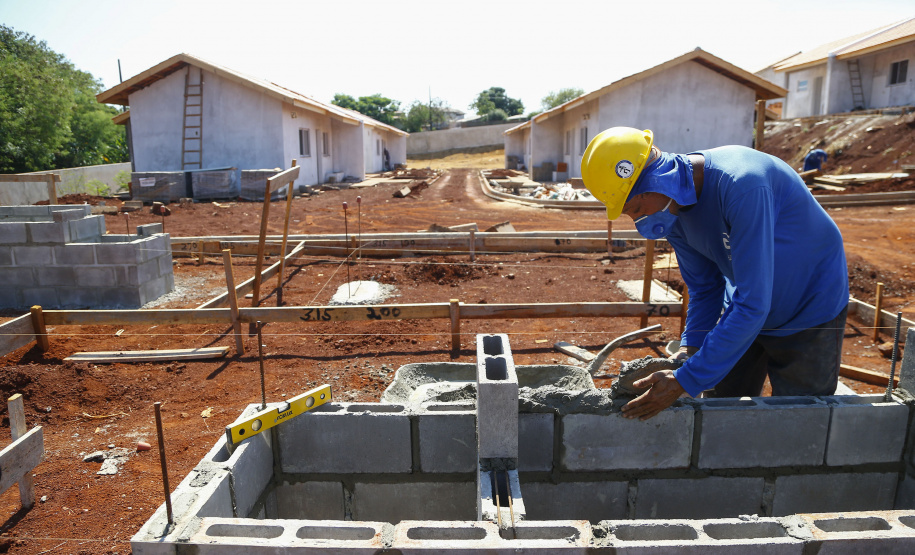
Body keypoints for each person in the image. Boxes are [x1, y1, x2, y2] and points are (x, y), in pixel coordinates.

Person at [581, 127, 849, 420]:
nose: (637, 218)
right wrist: (689, 351)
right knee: (722, 409)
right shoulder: (672, 209)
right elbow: (705, 288)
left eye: (634, 207)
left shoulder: (742, 185)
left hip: (808, 306)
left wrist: (684, 381)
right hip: (747, 307)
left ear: (656, 181)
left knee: (799, 418)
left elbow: (754, 302)